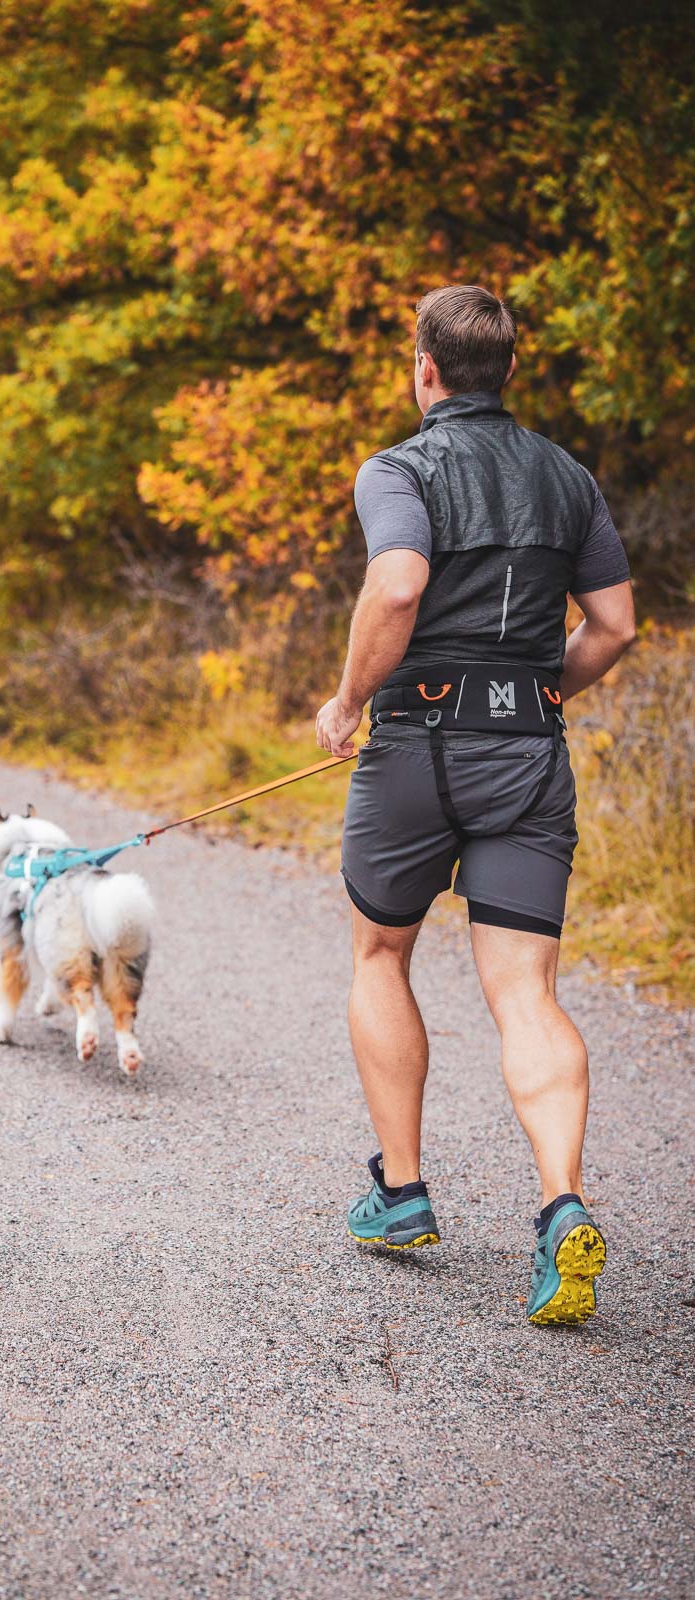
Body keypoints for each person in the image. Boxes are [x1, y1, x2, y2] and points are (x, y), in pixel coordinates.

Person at [315, 285, 635, 1326]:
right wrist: (536, 692)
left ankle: (402, 1193)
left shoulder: (399, 469)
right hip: (526, 753)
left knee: (379, 953)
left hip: (416, 746)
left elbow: (396, 586)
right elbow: (613, 627)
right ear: (506, 370)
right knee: (526, 992)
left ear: (424, 369)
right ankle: (559, 1207)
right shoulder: (566, 476)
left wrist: (347, 701)